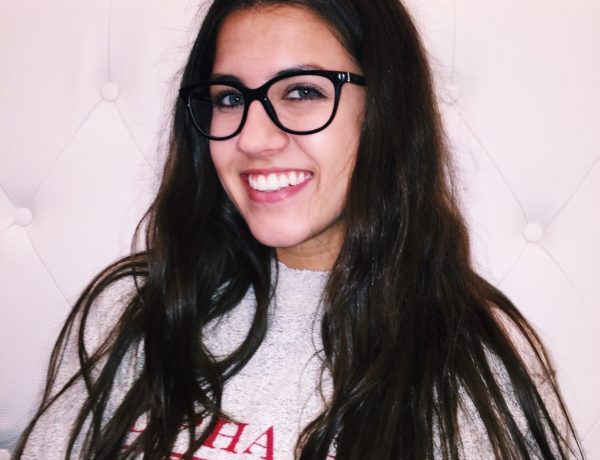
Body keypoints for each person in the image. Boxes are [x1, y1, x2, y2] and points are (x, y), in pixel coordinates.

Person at [13, 0, 584, 459]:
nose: (253, 138)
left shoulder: (471, 354)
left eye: (303, 92)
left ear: (385, 110)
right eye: (229, 98)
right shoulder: (143, 305)